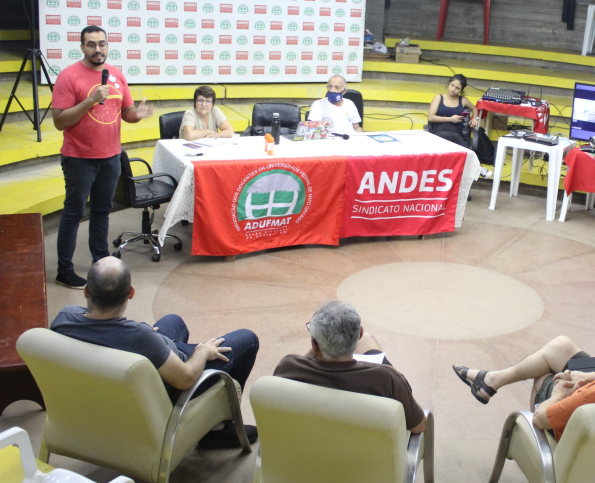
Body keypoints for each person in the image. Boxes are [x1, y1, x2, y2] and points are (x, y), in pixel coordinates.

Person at [50, 257, 260, 448]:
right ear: (131, 293)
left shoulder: (64, 318)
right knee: (248, 339)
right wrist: (203, 352)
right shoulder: (139, 338)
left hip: (106, 395)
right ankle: (217, 430)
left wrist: (149, 336)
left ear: (86, 291)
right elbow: (186, 378)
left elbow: (106, 331)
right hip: (172, 384)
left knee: (172, 321)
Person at [51, 25, 154, 289]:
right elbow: (60, 122)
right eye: (92, 44)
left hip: (110, 157)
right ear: (82, 47)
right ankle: (64, 270)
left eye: (102, 44)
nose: (98, 49)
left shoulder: (117, 75)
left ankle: (100, 260)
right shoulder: (69, 76)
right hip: (80, 159)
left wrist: (137, 115)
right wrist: (89, 100)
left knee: (101, 211)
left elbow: (127, 112)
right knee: (73, 213)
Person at [452, 319, 595, 440]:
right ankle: (492, 380)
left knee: (544, 377)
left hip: (577, 440)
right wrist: (593, 376)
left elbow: (540, 419)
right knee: (562, 346)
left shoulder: (589, 400)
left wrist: (559, 393)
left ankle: (491, 381)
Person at [273, 301, 427, 434]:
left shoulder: (288, 368)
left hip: (308, 457)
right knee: (370, 341)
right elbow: (419, 427)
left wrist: (320, 344)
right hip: (366, 464)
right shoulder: (386, 379)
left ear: (314, 344)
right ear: (359, 333)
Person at [427, 73, 492, 179]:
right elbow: (431, 117)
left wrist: (475, 118)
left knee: (455, 137)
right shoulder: (439, 97)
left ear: (461, 90)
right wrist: (450, 119)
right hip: (438, 132)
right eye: (452, 85)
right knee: (455, 138)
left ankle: (477, 167)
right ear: (449, 84)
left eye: (457, 88)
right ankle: (478, 167)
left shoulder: (463, 100)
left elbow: (474, 108)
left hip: (454, 132)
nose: (453, 89)